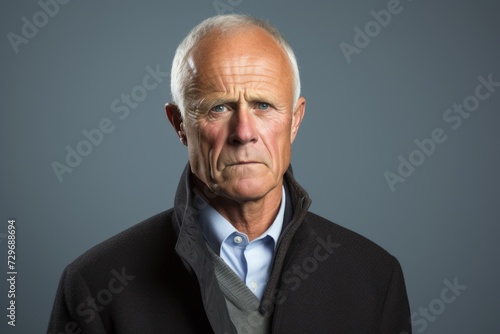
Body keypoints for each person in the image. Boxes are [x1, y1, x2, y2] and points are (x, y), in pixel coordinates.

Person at [48, 14, 411, 334]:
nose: (244, 132)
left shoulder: (374, 279)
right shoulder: (94, 288)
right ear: (179, 125)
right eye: (218, 107)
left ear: (295, 120)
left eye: (263, 105)